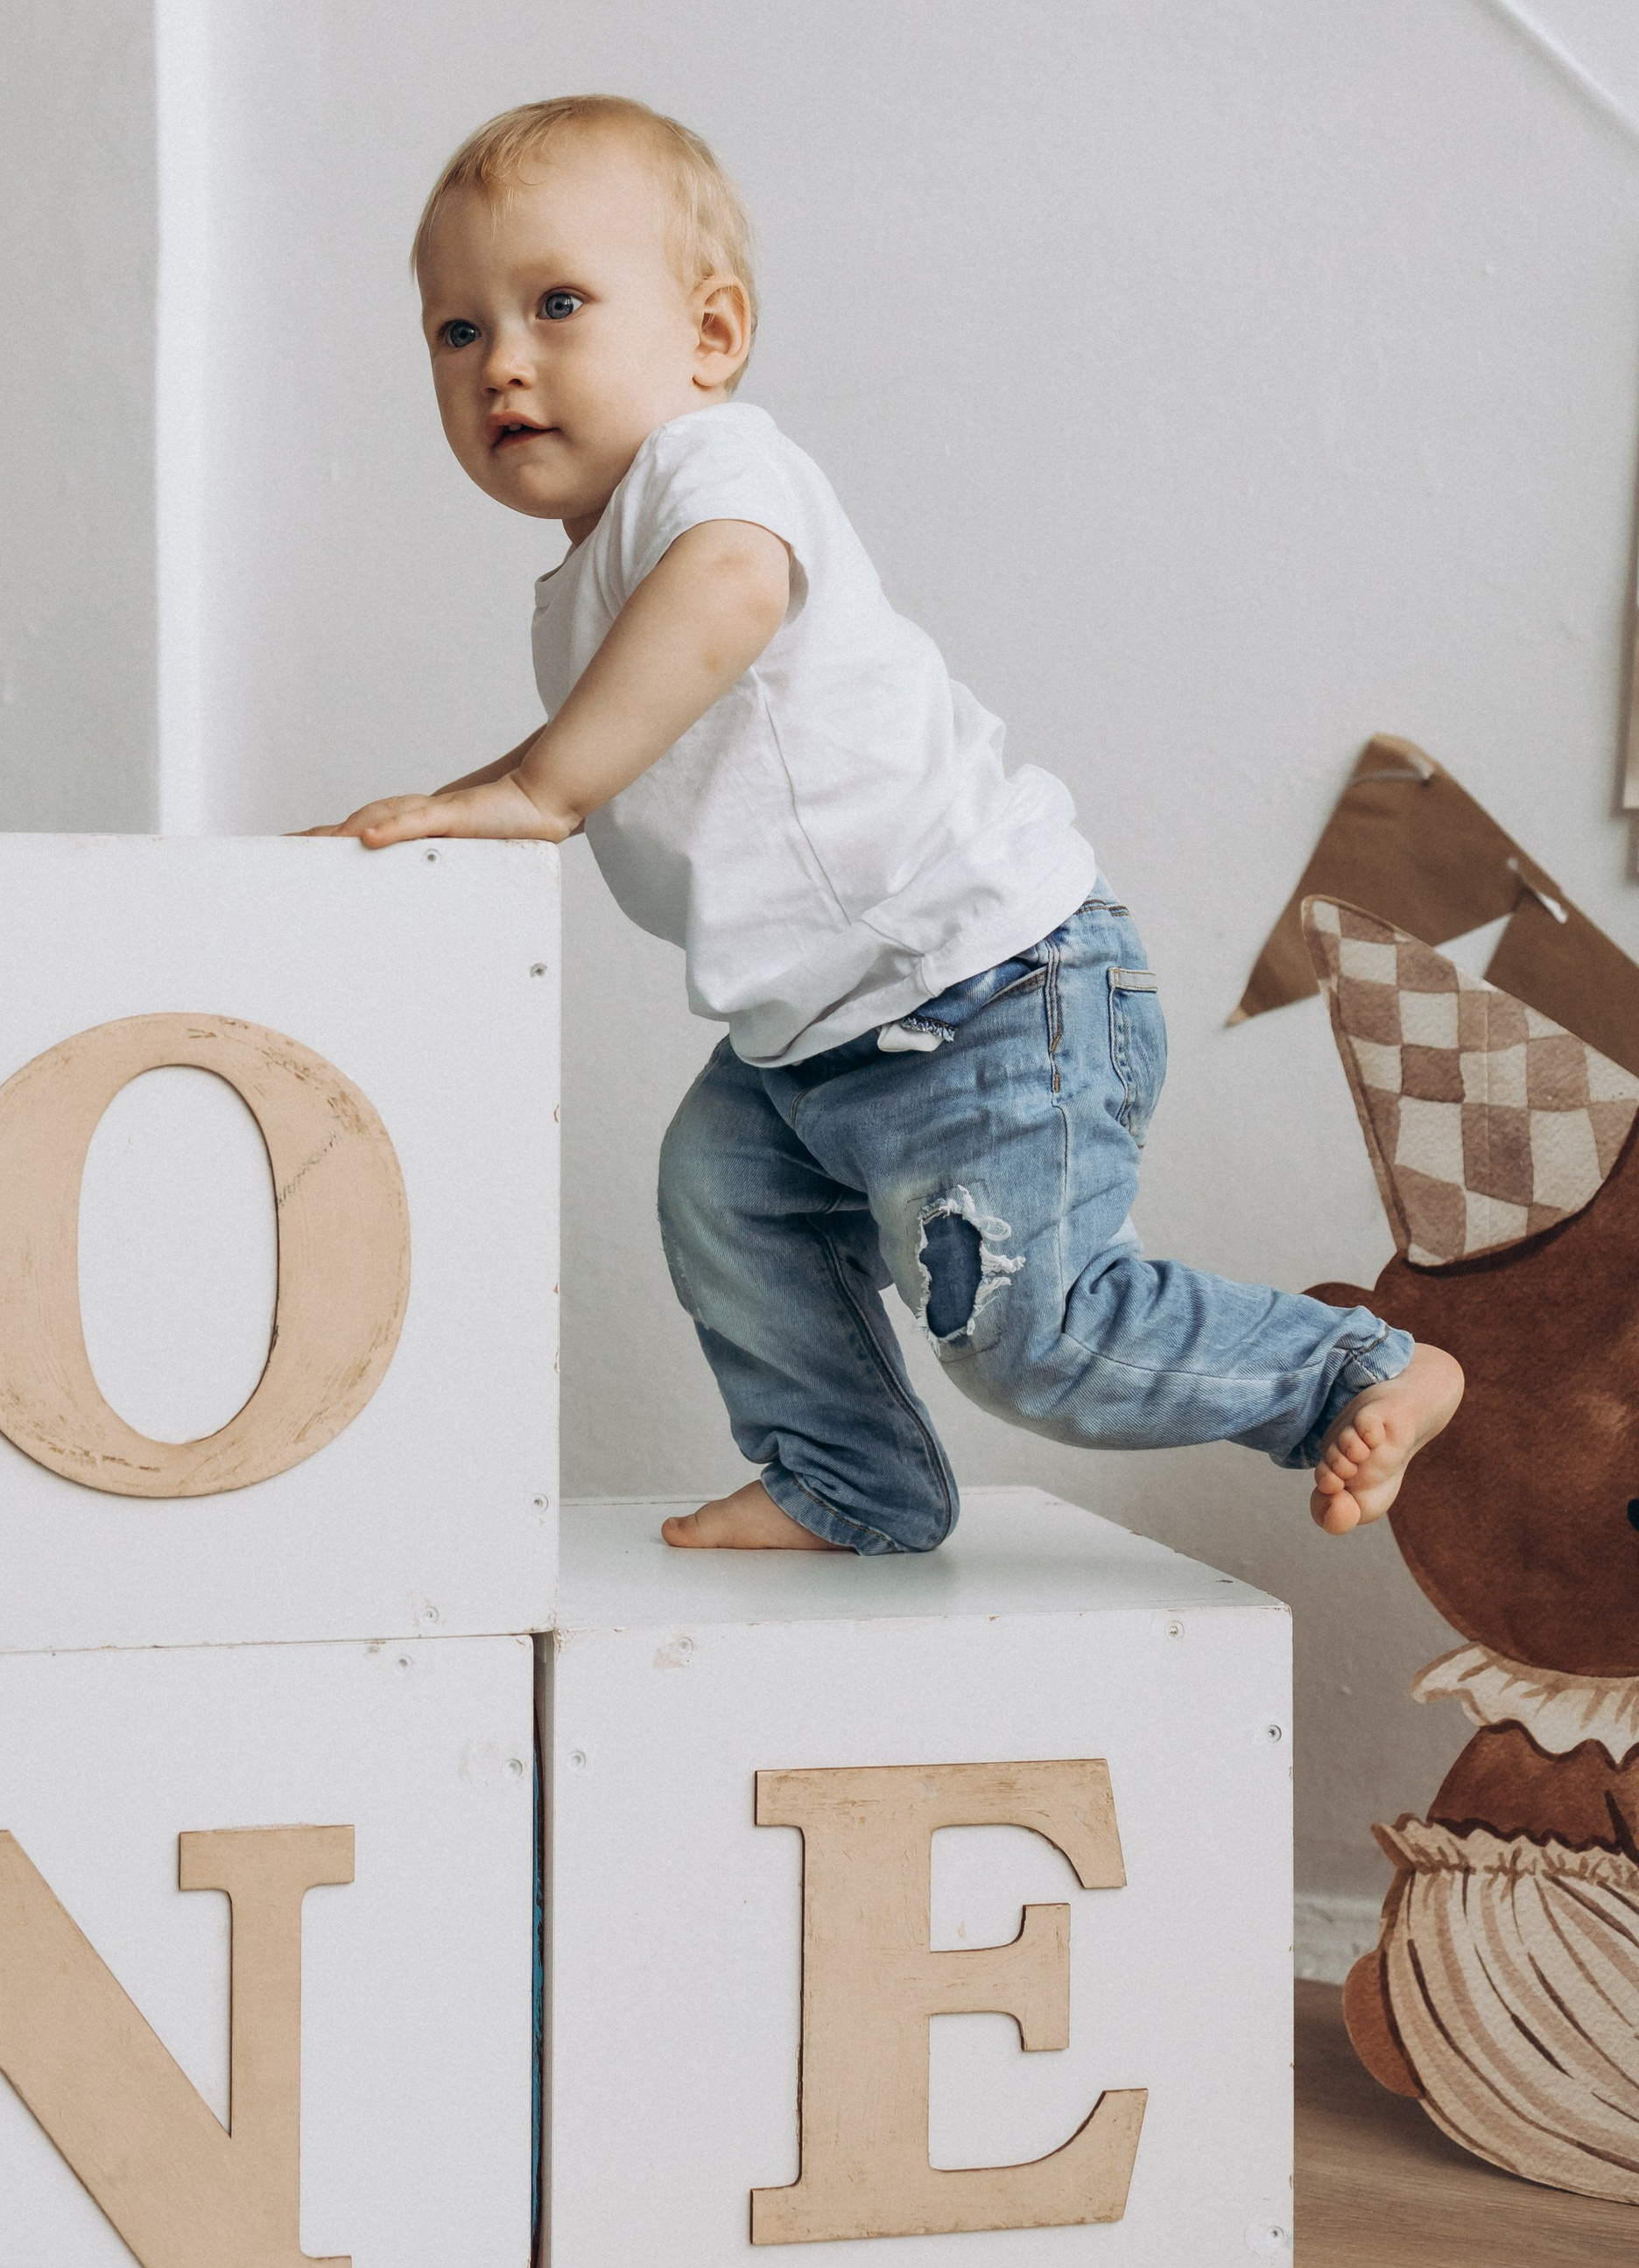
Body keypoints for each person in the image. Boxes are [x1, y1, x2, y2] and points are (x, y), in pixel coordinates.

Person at [305, 94, 1462, 1553]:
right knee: (721, 1197)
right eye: (456, 331)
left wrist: (536, 790)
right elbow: (619, 730)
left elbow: (724, 603)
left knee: (1027, 1337)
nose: (503, 362)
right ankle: (855, 1481)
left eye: (556, 305)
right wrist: (465, 811)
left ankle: (1354, 1366)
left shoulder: (712, 472)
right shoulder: (593, 572)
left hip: (989, 990)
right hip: (821, 1039)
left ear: (709, 338)